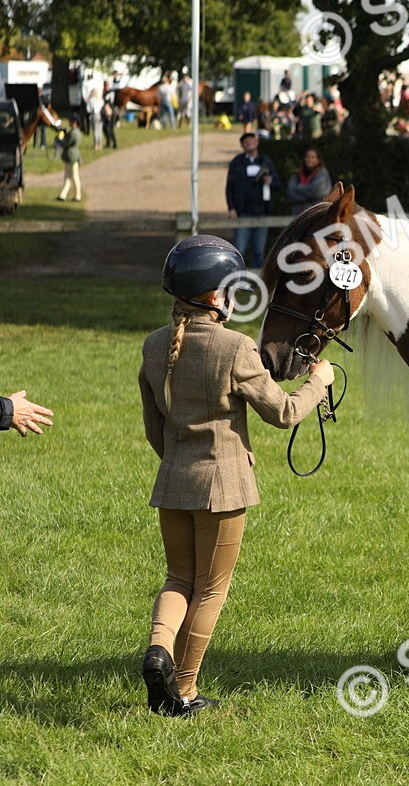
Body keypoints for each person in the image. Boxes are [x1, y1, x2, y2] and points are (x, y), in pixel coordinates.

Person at [139, 235, 334, 717]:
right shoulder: (236, 347)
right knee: (210, 588)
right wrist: (319, 382)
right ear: (212, 297)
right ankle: (182, 691)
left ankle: (157, 651)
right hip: (223, 486)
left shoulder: (153, 345)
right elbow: (285, 413)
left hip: (173, 480)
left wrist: (180, 461)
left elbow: (153, 428)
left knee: (178, 578)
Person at [226, 133, 278, 267]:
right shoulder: (237, 162)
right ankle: (237, 280)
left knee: (259, 251)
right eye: (245, 141)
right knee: (238, 250)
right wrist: (231, 208)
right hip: (242, 212)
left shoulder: (266, 161)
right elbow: (229, 187)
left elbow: (277, 184)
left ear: (257, 142)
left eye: (251, 140)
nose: (249, 143)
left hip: (262, 213)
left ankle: (257, 282)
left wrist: (270, 182)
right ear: (242, 145)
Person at [284, 147, 332, 215]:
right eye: (307, 157)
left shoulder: (322, 174)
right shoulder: (296, 175)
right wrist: (310, 198)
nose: (309, 159)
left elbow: (316, 192)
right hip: (297, 216)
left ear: (318, 160)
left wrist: (298, 188)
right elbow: (289, 193)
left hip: (317, 215)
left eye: (312, 157)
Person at [56, 116, 83, 202]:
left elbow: (65, 143)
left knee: (74, 176)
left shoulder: (74, 133)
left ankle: (77, 195)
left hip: (72, 156)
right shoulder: (75, 132)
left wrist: (59, 139)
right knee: (67, 176)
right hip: (70, 155)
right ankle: (63, 195)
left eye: (71, 121)